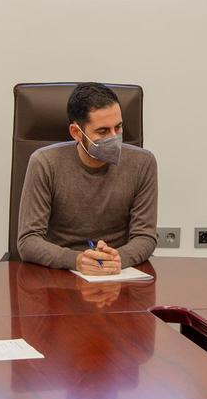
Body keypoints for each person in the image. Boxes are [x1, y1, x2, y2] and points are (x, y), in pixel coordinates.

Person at [17, 83, 158, 275]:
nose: (114, 137)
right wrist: (76, 260)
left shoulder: (143, 163)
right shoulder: (45, 163)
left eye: (118, 127)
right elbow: (28, 241)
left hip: (119, 272)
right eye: (103, 131)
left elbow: (145, 237)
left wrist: (117, 258)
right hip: (60, 274)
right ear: (76, 132)